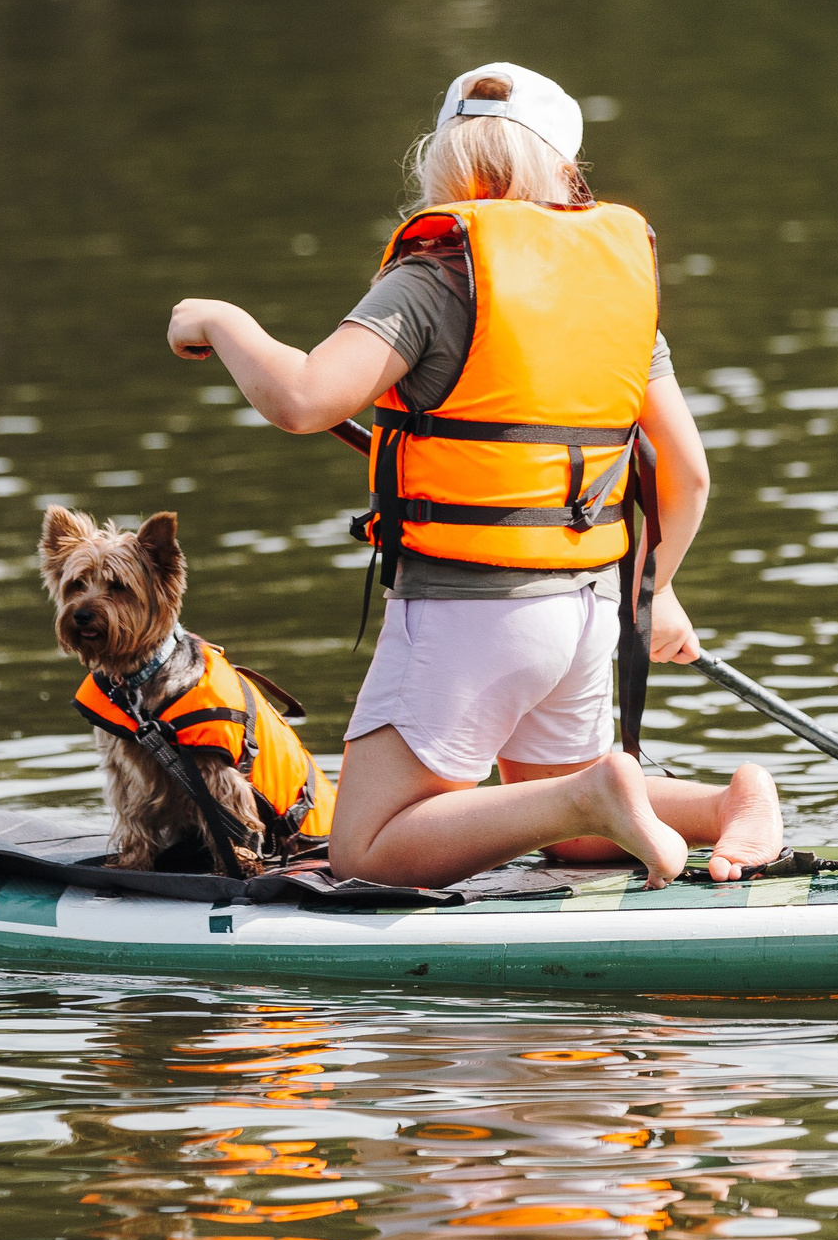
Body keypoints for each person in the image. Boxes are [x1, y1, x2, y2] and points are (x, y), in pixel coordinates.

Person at [164, 63, 782, 890]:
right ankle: (723, 804)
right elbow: (690, 474)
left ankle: (599, 792)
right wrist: (648, 588)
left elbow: (303, 397)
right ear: (565, 166)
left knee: (367, 848)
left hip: (471, 612)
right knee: (562, 829)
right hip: (589, 607)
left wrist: (221, 320)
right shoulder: (618, 287)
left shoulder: (437, 273)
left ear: (445, 159)